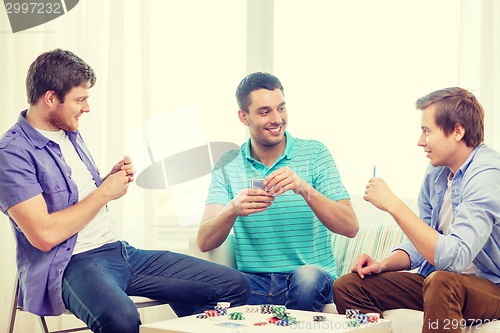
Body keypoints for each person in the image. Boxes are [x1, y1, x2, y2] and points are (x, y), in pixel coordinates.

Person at [0, 49, 250, 333]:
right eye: (80, 100)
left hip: (120, 252)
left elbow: (74, 197)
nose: (86, 108)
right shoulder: (11, 154)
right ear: (50, 98)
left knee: (233, 286)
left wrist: (108, 179)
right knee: (121, 319)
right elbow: (44, 236)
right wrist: (105, 193)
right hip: (70, 263)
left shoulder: (68, 131)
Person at [333, 87, 500, 333]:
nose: (420, 141)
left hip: (489, 287)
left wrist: (394, 205)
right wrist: (383, 263)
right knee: (348, 286)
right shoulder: (436, 172)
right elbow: (423, 239)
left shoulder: (487, 174)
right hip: (439, 283)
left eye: (426, 131)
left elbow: (455, 258)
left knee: (442, 281)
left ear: (457, 131)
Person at [197, 72, 359, 312]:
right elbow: (204, 241)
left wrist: (304, 188)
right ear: (244, 117)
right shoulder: (228, 163)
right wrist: (233, 209)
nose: (277, 119)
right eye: (265, 112)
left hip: (307, 279)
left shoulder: (315, 153)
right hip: (252, 283)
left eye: (281, 109)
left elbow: (350, 227)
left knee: (307, 278)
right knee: (187, 284)